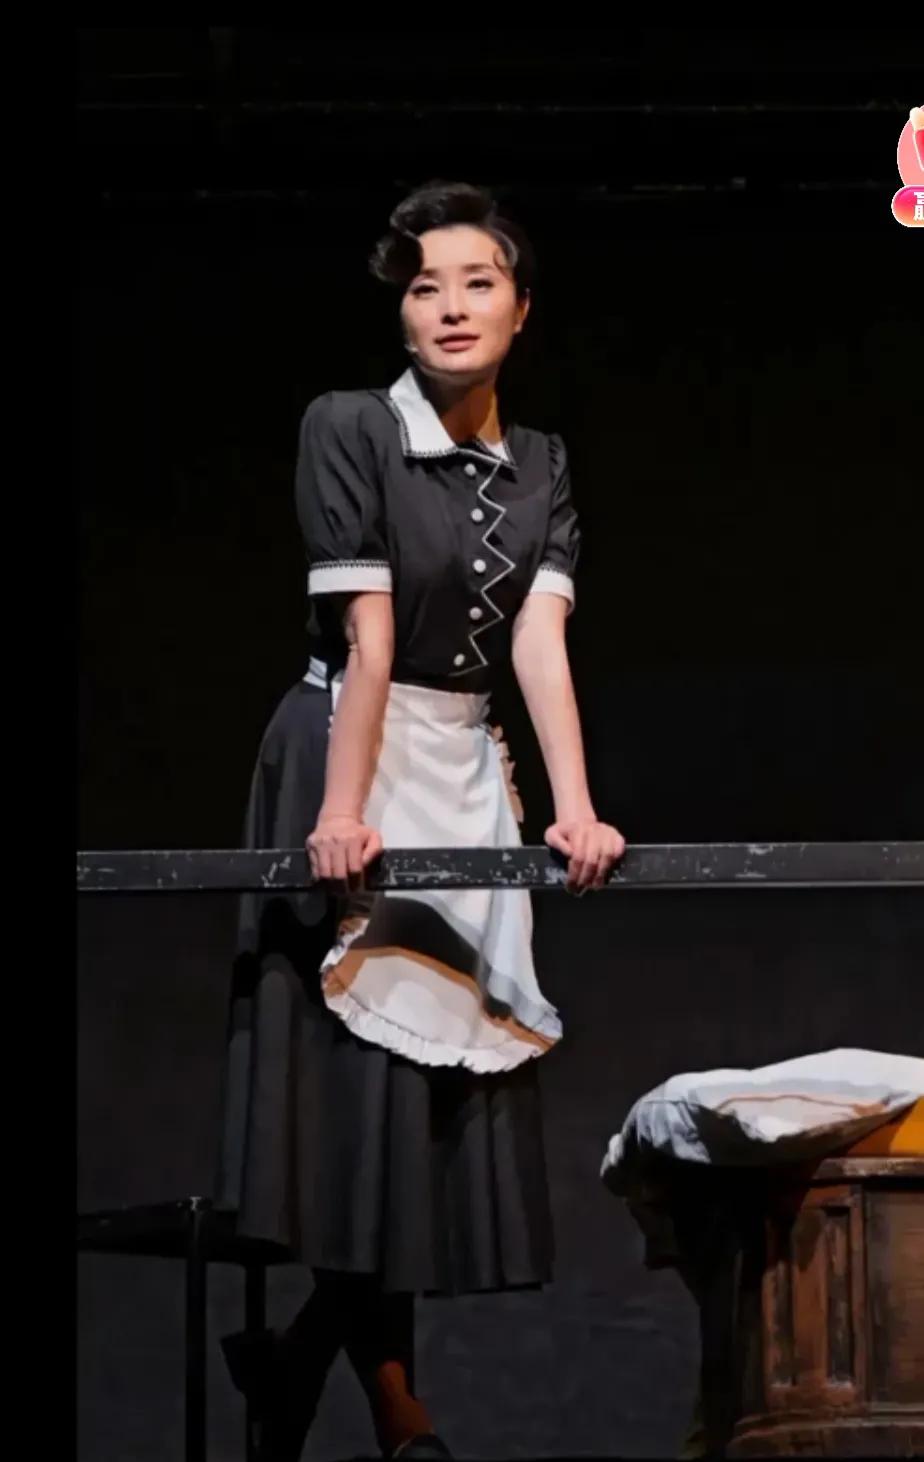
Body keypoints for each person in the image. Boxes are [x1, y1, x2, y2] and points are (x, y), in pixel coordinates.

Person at [217, 180, 625, 1461]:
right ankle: (395, 1403)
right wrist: (341, 811)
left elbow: (539, 644)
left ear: (521, 308)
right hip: (348, 739)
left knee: (425, 1099)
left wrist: (576, 810)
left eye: (477, 282)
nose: (449, 305)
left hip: (461, 759)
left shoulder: (541, 461)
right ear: (401, 311)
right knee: (362, 1097)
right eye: (423, 286)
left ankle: (295, 1368)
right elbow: (371, 635)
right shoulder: (350, 426)